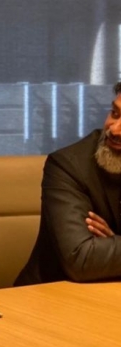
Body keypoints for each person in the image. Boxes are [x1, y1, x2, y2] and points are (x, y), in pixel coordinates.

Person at [16, 81, 121, 286]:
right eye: (115, 114)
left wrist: (112, 243)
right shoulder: (68, 165)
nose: (115, 130)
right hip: (50, 298)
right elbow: (81, 259)